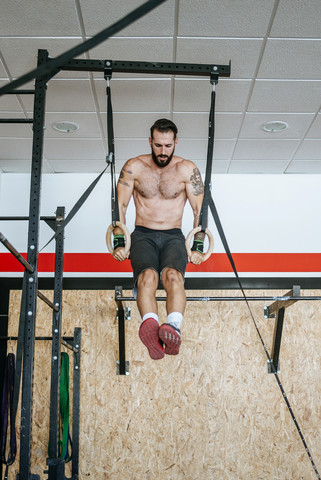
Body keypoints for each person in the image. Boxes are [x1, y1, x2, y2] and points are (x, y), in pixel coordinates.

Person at [112, 118, 207, 360]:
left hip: (174, 235)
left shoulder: (187, 170)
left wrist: (197, 246)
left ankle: (173, 328)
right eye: (157, 145)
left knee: (173, 277)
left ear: (175, 142)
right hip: (142, 234)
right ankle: (151, 328)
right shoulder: (134, 167)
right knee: (148, 277)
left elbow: (199, 212)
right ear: (150, 142)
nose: (162, 152)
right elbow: (120, 207)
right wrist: (119, 242)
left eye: (167, 146)